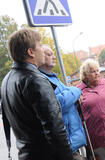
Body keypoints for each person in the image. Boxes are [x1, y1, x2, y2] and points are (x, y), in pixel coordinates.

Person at [0, 28, 73, 160]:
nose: (43, 51)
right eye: (40, 45)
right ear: (31, 52)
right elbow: (55, 129)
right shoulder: (35, 79)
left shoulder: (6, 81)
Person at [39, 45, 87, 160]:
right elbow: (59, 103)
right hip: (66, 143)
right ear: (40, 57)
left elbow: (68, 97)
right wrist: (76, 90)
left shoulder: (54, 78)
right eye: (49, 54)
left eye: (54, 54)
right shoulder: (42, 79)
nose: (54, 57)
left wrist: (73, 95)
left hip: (72, 141)